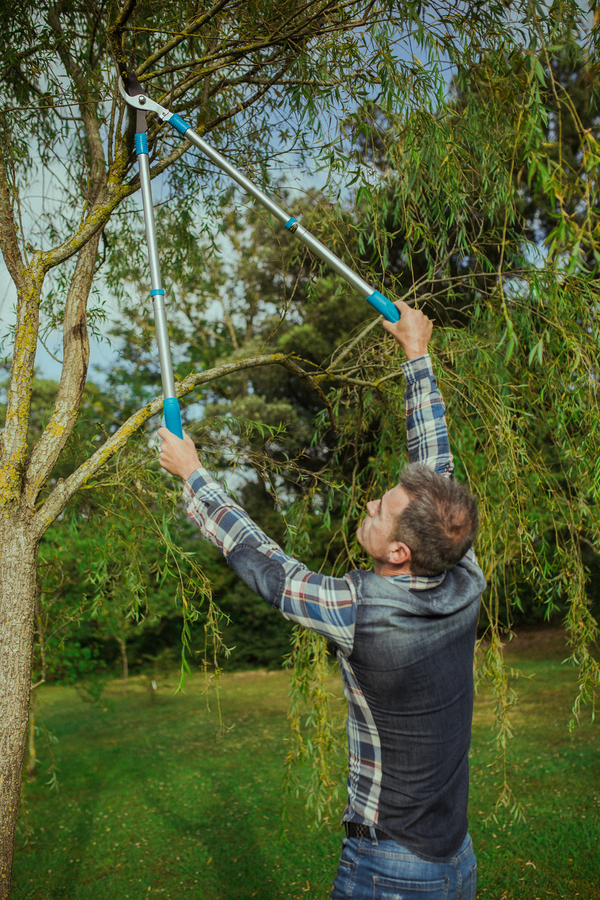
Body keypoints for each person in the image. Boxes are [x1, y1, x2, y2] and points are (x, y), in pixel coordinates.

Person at [159, 300, 486, 900]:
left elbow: (271, 569)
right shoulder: (463, 573)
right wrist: (416, 353)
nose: (369, 505)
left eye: (379, 512)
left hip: (391, 870)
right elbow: (435, 471)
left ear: (398, 555)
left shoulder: (363, 610)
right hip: (455, 861)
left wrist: (194, 476)